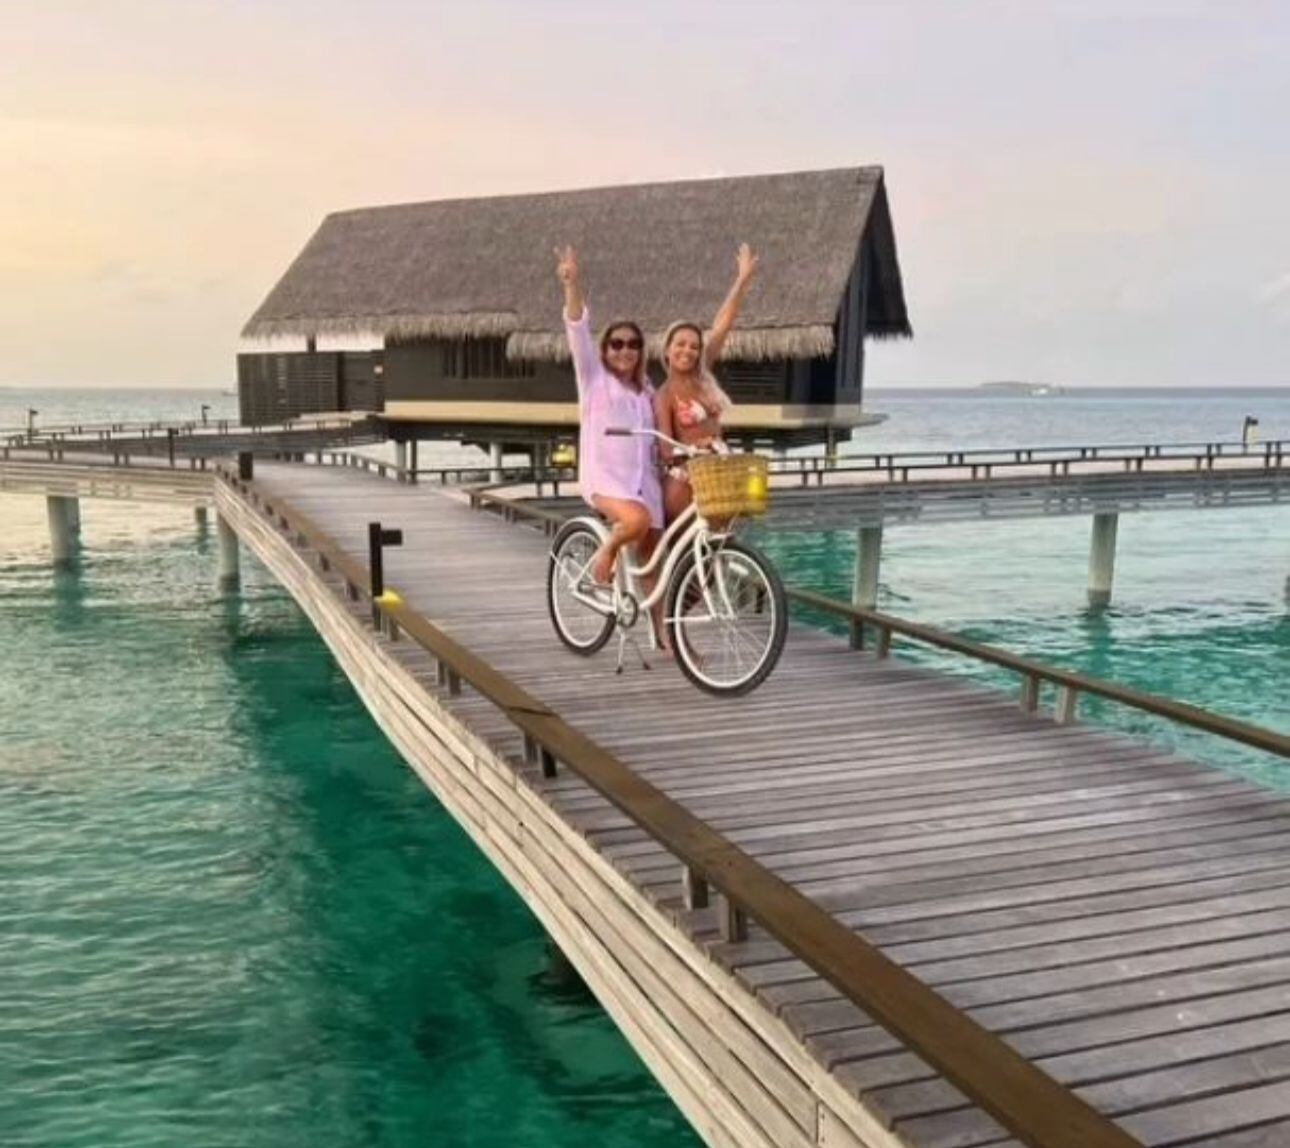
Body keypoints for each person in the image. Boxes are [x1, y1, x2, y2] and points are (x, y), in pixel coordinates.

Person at [555, 244, 663, 588]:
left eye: (633, 344)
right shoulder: (593, 379)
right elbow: (576, 327)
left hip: (645, 484)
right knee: (638, 519)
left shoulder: (646, 392)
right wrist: (572, 284)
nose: (625, 350)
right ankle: (608, 550)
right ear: (605, 349)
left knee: (655, 561)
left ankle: (663, 637)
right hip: (605, 481)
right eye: (617, 344)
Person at [655, 243, 759, 522]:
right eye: (680, 345)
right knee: (688, 551)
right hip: (685, 475)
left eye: (693, 346)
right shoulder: (664, 395)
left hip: (717, 472)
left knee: (719, 546)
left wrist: (741, 281)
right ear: (667, 349)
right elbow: (665, 448)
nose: (687, 351)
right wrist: (690, 449)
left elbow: (723, 323)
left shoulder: (703, 377)